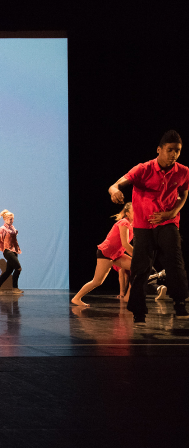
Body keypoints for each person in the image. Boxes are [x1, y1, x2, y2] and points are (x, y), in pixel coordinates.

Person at [109, 130, 189, 324]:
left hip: (167, 222)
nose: (174, 155)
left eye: (177, 151)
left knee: (174, 261)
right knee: (140, 267)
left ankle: (179, 302)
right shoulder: (143, 169)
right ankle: (138, 311)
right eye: (170, 150)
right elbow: (117, 184)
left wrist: (172, 212)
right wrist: (114, 190)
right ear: (159, 150)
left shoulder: (183, 171)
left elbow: (184, 194)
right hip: (143, 225)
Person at [69, 203, 134, 307]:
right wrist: (138, 255)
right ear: (127, 213)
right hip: (106, 253)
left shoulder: (132, 225)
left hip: (116, 254)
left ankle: (128, 297)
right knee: (97, 281)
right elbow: (125, 244)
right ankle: (76, 298)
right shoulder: (124, 223)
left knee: (136, 267)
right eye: (134, 210)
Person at [0, 209, 22, 294]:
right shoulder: (2, 228)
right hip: (8, 251)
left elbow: (11, 238)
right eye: (10, 219)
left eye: (12, 219)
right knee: (18, 268)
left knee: (9, 271)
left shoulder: (12, 227)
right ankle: (15, 288)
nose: (12, 220)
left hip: (14, 250)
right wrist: (1, 246)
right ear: (5, 219)